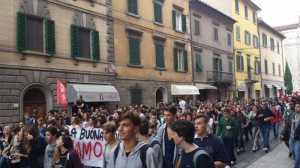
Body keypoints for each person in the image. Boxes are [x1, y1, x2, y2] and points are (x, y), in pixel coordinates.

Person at [281, 101, 300, 168]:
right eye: (296, 106)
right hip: (291, 137)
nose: (296, 108)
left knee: (297, 153)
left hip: (298, 138)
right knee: (292, 150)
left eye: (298, 107)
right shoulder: (292, 115)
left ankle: (296, 166)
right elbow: (286, 125)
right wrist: (283, 133)